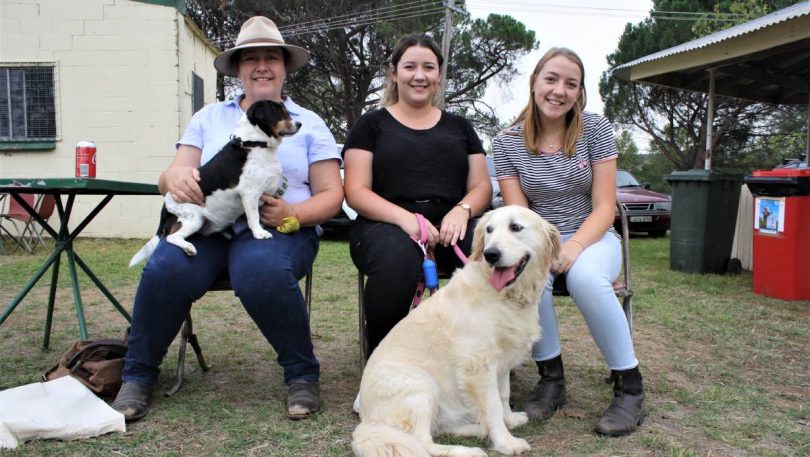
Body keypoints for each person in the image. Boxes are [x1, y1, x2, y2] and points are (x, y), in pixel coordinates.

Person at [111, 16, 343, 422]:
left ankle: (302, 375)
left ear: (285, 67)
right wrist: (174, 178)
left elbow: (332, 196)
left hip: (281, 230)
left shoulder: (310, 124)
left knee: (260, 269)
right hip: (210, 227)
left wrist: (293, 213)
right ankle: (138, 375)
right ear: (238, 70)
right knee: (166, 266)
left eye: (272, 58)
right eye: (250, 59)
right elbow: (168, 178)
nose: (262, 66)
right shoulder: (208, 118)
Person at [492, 47, 645, 436]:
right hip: (538, 243)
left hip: (594, 238)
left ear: (580, 92)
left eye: (570, 84)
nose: (559, 90)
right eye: (551, 79)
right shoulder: (506, 142)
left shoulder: (595, 129)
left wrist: (573, 248)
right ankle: (551, 379)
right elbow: (519, 216)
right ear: (534, 83)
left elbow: (605, 207)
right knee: (530, 280)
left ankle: (630, 387)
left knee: (585, 279)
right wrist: (546, 254)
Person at [342, 33, 492, 407]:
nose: (419, 75)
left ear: (439, 76)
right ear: (393, 73)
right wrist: (406, 220)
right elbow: (356, 191)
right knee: (397, 262)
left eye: (429, 67)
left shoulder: (460, 128)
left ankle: (483, 368)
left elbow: (481, 186)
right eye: (410, 66)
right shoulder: (370, 125)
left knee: (493, 251)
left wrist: (463, 209)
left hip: (453, 228)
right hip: (385, 226)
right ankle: (382, 368)